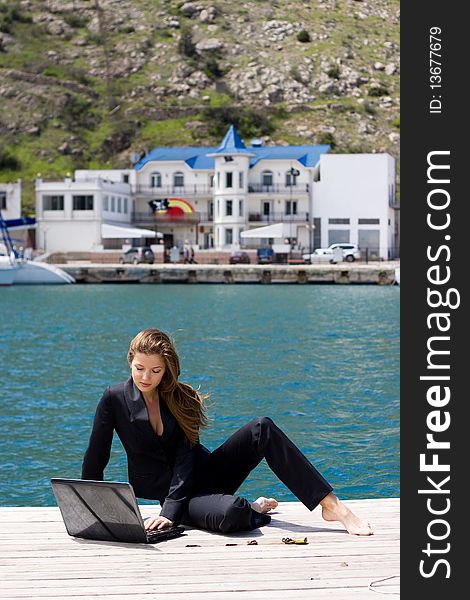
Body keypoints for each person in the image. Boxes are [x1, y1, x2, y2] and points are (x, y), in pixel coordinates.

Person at [82, 329, 373, 536]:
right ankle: (255, 508)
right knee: (232, 512)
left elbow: (186, 458)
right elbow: (97, 454)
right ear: (130, 361)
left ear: (168, 370)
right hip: (178, 497)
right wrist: (89, 504)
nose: (146, 377)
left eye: (155, 371)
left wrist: (167, 514)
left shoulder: (182, 397)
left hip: (206, 473)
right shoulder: (114, 398)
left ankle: (332, 506)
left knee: (262, 427)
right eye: (139, 368)